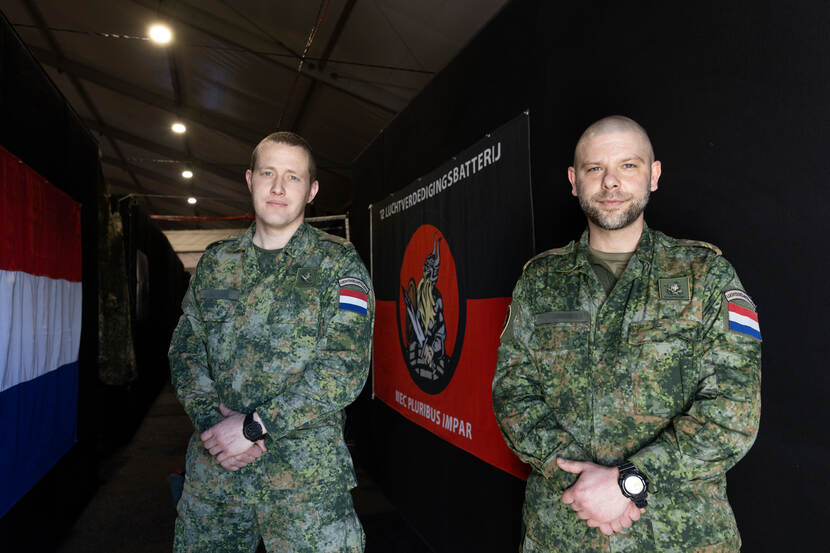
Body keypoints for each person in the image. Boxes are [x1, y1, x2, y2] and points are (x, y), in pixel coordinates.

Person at [493, 116, 761, 552]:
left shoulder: (706, 275)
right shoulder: (540, 282)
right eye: (595, 168)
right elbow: (512, 394)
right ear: (574, 181)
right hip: (563, 532)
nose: (611, 182)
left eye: (628, 166)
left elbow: (734, 411)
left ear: (653, 175)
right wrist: (578, 482)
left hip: (679, 537)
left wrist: (630, 482)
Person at [169, 131, 374, 553]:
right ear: (250, 180)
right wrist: (212, 426)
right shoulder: (216, 262)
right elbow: (186, 350)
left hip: (305, 486)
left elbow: (344, 366)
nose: (279, 187)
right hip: (217, 479)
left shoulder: (337, 263)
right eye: (268, 173)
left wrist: (253, 427)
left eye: (293, 177)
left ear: (311, 190)